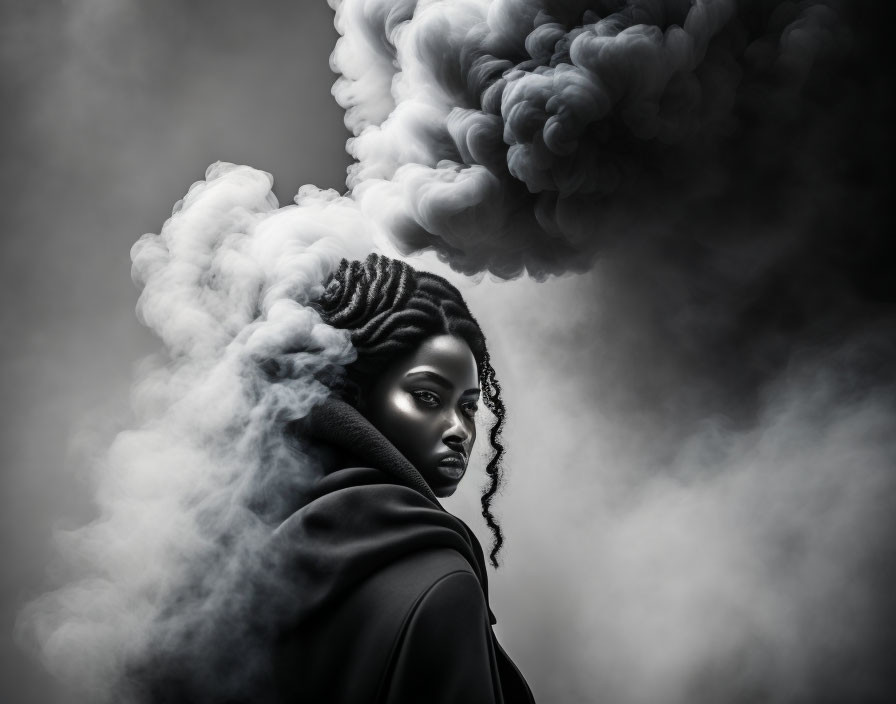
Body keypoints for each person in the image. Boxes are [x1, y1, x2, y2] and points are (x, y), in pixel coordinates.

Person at [270, 253, 536, 703]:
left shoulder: (257, 548)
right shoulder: (442, 583)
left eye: (469, 407)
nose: (459, 429)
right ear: (358, 399)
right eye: (427, 396)